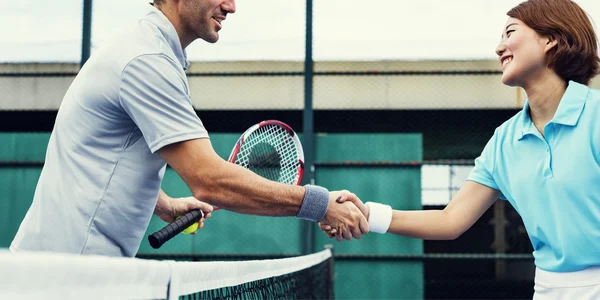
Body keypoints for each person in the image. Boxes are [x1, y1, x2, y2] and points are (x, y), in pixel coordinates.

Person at [10, 0, 369, 258]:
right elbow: (210, 180)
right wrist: (319, 205)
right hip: (68, 275)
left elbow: (102, 155)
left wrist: (162, 202)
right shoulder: (147, 61)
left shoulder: (145, 50)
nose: (232, 6)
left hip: (63, 268)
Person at [321, 0, 600, 298]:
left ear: (550, 39)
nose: (499, 48)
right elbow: (450, 220)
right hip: (549, 289)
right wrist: (367, 213)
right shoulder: (504, 142)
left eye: (510, 32)